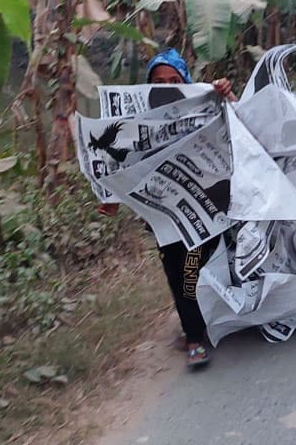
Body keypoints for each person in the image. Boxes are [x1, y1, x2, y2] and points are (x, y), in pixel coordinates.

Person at [99, 49, 234, 369]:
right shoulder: (136, 125)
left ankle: (197, 330)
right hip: (162, 216)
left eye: (174, 81)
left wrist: (227, 96)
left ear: (186, 83)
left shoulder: (204, 108)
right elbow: (121, 162)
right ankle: (194, 336)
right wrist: (111, 197)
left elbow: (238, 129)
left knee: (195, 270)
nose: (166, 86)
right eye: (158, 82)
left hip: (204, 208)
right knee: (177, 274)